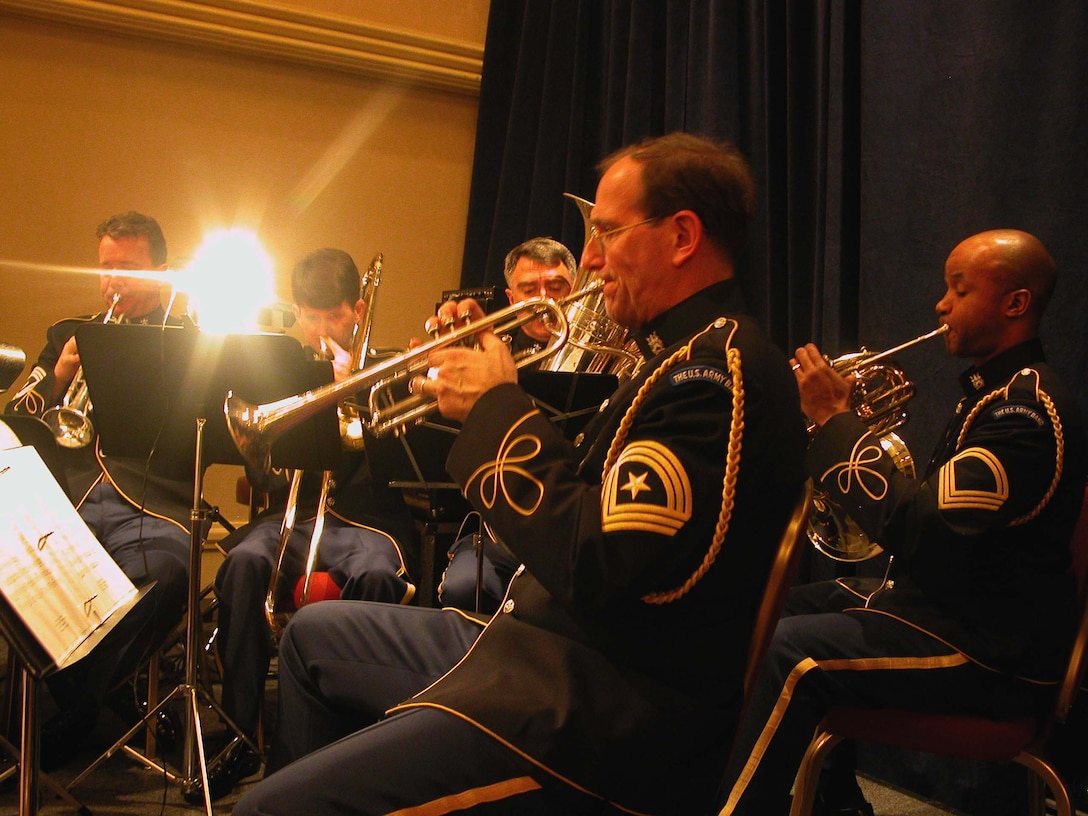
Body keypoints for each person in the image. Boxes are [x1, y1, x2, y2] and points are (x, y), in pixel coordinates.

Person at [234, 132, 809, 816]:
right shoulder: (675, 356)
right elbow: (584, 480)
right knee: (313, 636)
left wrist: (497, 406)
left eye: (605, 233)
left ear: (682, 236)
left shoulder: (716, 376)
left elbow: (598, 564)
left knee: (264, 810)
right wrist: (482, 372)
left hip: (597, 710)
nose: (590, 260)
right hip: (539, 650)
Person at [715, 229, 1087, 816]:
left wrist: (839, 423)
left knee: (791, 652)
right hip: (937, 607)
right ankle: (834, 803)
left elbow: (922, 533)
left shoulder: (1025, 414)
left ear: (1016, 304)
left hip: (988, 649)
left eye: (959, 291)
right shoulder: (990, 395)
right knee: (763, 607)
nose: (940, 304)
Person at [198, 247, 419, 802]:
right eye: (311, 318)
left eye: (335, 317)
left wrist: (364, 390)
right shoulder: (286, 371)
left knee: (376, 579)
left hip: (371, 524)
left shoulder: (395, 367)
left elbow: (408, 465)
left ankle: (357, 738)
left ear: (360, 309)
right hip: (298, 516)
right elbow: (264, 476)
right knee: (244, 564)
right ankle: (240, 730)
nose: (323, 332)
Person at [4, 211, 192, 767]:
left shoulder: (187, 343)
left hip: (152, 504)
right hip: (70, 502)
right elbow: (15, 423)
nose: (114, 283)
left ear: (162, 273)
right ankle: (92, 697)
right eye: (106, 269)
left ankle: (74, 706)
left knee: (169, 572)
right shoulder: (68, 333)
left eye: (129, 270)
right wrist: (60, 374)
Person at [436, 236, 576, 613]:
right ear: (512, 301)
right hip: (497, 527)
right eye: (530, 289)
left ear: (575, 291)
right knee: (466, 588)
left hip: (566, 527)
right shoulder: (483, 358)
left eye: (556, 287)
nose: (544, 299)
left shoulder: (600, 359)